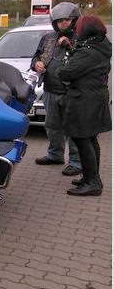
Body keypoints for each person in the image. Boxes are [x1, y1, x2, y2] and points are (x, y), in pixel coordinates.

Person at [58, 15, 111, 196]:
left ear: (86, 30)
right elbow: (83, 63)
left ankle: (93, 182)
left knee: (82, 139)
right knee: (90, 139)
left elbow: (66, 72)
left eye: (79, 28)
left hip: (85, 100)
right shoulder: (99, 45)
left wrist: (63, 65)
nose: (77, 31)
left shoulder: (88, 52)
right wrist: (71, 49)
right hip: (94, 97)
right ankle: (90, 177)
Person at [30, 2, 82, 176]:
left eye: (67, 19)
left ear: (74, 19)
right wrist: (36, 63)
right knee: (52, 125)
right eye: (59, 21)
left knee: (73, 128)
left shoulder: (82, 37)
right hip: (50, 88)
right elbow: (36, 56)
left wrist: (69, 45)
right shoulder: (48, 38)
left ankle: (76, 161)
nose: (63, 23)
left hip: (72, 91)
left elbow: (86, 60)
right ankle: (55, 155)